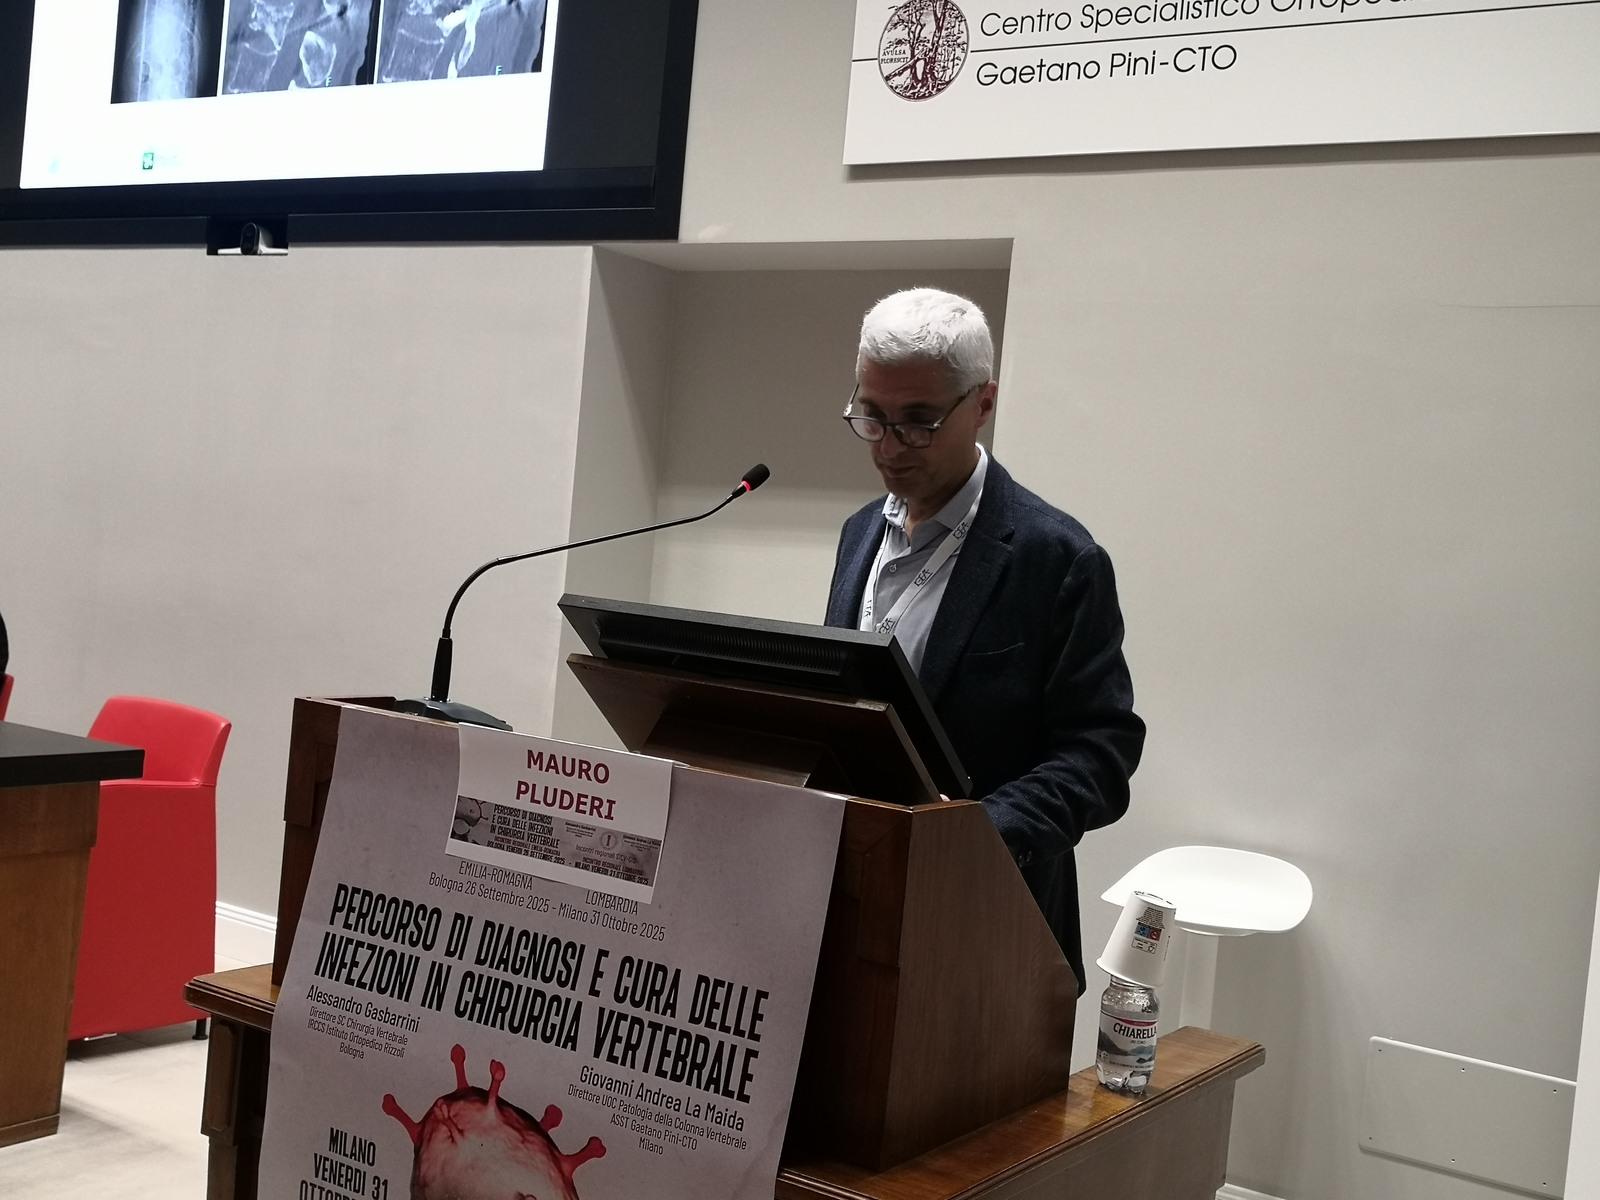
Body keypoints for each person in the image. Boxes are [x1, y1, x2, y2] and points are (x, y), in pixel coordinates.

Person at [825, 288, 1145, 993]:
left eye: (918, 422)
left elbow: (1100, 754)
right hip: (850, 909)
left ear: (984, 404)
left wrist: (976, 837)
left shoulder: (1057, 558)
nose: (889, 447)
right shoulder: (859, 534)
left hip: (992, 931)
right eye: (872, 417)